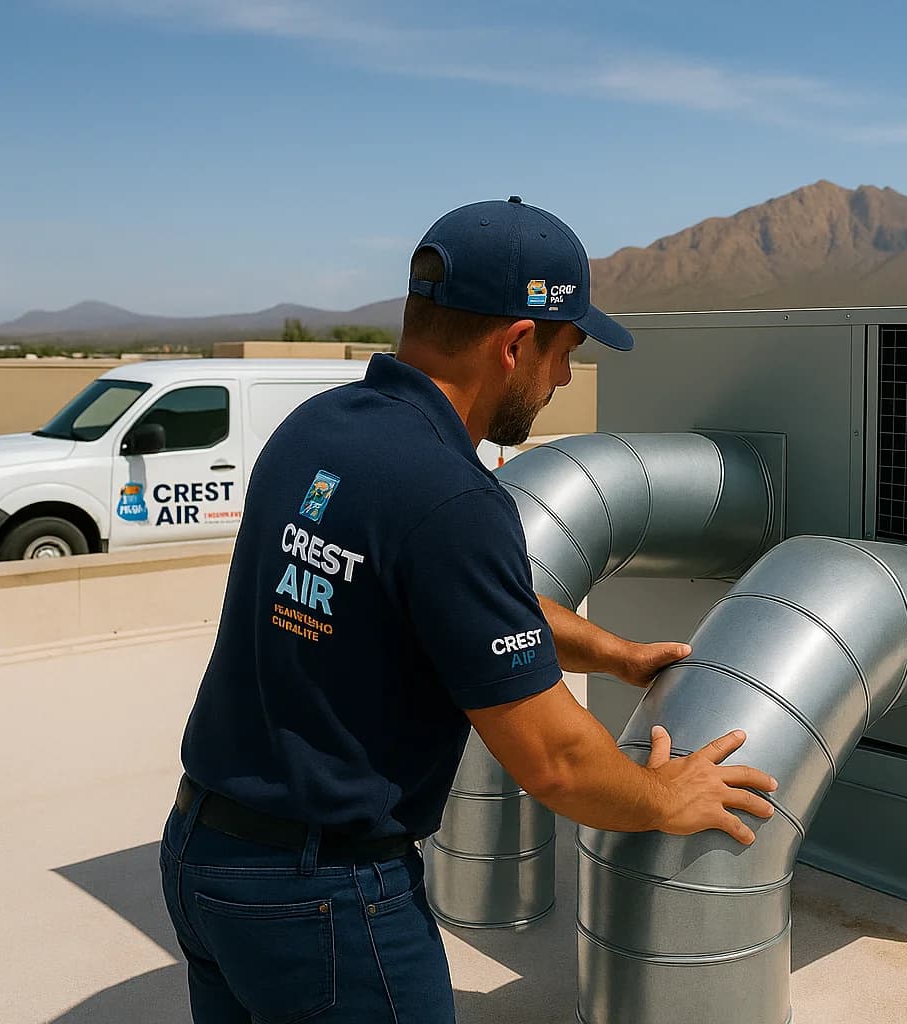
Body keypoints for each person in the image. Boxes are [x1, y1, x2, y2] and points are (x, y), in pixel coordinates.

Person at [158, 197, 777, 1023]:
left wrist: (616, 654)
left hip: (205, 856)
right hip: (325, 898)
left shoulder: (315, 432)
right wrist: (666, 796)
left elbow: (463, 609)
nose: (562, 379)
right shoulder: (451, 496)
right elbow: (555, 761)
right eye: (567, 351)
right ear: (516, 343)